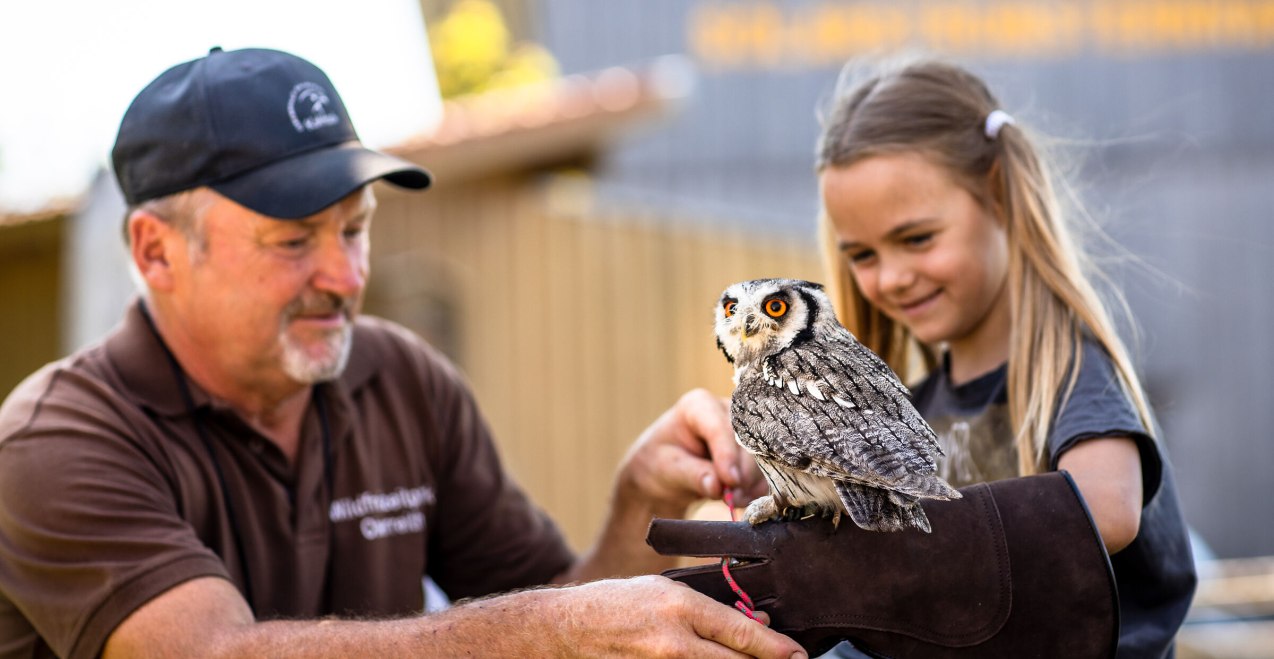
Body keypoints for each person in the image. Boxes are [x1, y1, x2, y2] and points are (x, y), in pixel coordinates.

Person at [0, 47, 805, 659]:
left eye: (356, 227)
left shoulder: (401, 377)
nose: (344, 275)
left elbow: (558, 610)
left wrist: (637, 503)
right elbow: (215, 652)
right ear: (156, 252)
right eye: (293, 239)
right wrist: (556, 624)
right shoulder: (53, 443)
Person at [810, 59, 1196, 657]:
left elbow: (1108, 513)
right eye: (862, 255)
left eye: (917, 239)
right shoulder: (909, 412)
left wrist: (909, 544)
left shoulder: (1068, 373)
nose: (891, 277)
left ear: (999, 198)